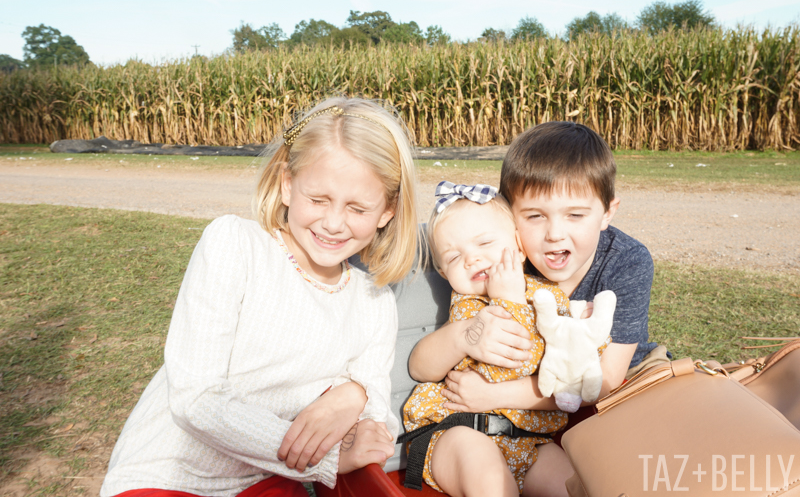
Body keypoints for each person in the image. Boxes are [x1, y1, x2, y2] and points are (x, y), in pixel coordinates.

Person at [100, 96, 419, 497]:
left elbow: (377, 420)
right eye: (318, 200)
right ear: (287, 184)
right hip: (169, 476)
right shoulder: (236, 246)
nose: (334, 223)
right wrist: (327, 457)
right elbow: (195, 398)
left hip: (266, 480)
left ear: (387, 211)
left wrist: (355, 396)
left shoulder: (373, 302)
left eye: (358, 208)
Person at [409, 122, 667, 452]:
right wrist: (464, 336)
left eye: (575, 215)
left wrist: (491, 394)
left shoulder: (627, 261)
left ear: (607, 213)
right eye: (534, 216)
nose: (554, 234)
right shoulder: (503, 259)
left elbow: (604, 381)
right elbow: (426, 360)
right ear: (509, 216)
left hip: (625, 381)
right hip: (536, 405)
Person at [401, 182, 609, 497]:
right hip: (456, 430)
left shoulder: (549, 298)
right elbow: (422, 368)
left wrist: (583, 330)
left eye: (485, 242)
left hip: (527, 441)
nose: (472, 259)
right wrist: (465, 335)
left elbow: (565, 367)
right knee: (490, 480)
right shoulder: (469, 307)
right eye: (455, 257)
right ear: (444, 274)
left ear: (518, 245)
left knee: (577, 487)